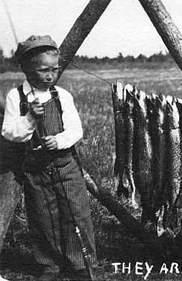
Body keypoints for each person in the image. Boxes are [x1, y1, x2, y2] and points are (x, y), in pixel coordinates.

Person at [1, 35, 96, 281]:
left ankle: (81, 264)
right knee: (43, 218)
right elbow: (10, 133)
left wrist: (60, 140)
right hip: (36, 171)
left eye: (54, 70)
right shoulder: (16, 97)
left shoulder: (62, 95)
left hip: (66, 167)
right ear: (26, 68)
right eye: (43, 70)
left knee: (76, 214)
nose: (49, 76)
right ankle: (50, 265)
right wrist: (30, 118)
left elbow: (76, 130)